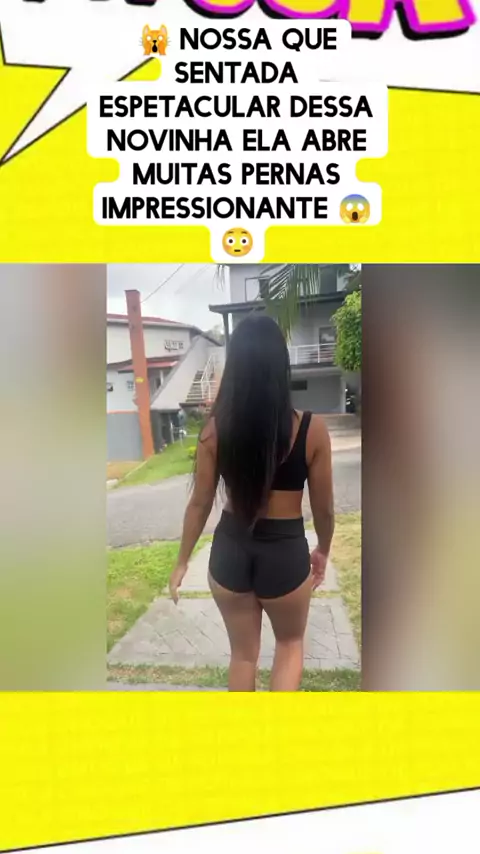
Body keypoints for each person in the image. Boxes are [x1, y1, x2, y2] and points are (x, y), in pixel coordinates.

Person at [169, 314, 334, 691]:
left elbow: (199, 503)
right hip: (284, 554)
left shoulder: (214, 430)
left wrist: (182, 562)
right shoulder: (312, 430)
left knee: (243, 656)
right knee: (289, 646)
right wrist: (323, 549)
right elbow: (324, 509)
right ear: (281, 365)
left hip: (230, 551)